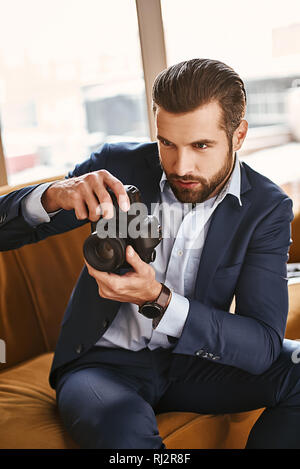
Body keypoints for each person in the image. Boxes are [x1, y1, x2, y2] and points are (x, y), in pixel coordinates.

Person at [0, 58, 299, 449]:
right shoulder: (117, 166)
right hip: (104, 365)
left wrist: (157, 299)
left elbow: (262, 346)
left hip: (197, 361)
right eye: (167, 143)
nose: (181, 165)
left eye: (201, 145)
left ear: (238, 135)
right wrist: (56, 193)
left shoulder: (266, 208)